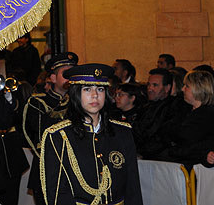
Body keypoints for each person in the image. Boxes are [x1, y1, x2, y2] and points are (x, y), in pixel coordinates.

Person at [40, 63, 143, 205]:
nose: (95, 95)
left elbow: (133, 187)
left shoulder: (122, 132)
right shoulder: (58, 136)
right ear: (76, 93)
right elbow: (57, 194)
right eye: (87, 89)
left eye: (100, 89)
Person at [22, 52, 76, 205]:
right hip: (48, 170)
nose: (70, 78)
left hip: (77, 172)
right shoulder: (38, 102)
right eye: (66, 74)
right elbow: (39, 138)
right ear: (52, 78)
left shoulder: (80, 101)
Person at [156, 70, 214, 167]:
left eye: (187, 86)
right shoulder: (183, 109)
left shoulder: (210, 115)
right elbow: (163, 131)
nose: (182, 89)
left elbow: (186, 140)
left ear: (198, 88)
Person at [132, 68, 189, 159]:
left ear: (167, 88)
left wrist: (143, 152)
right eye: (149, 84)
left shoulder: (176, 107)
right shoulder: (144, 108)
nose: (150, 89)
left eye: (155, 85)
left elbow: (165, 136)